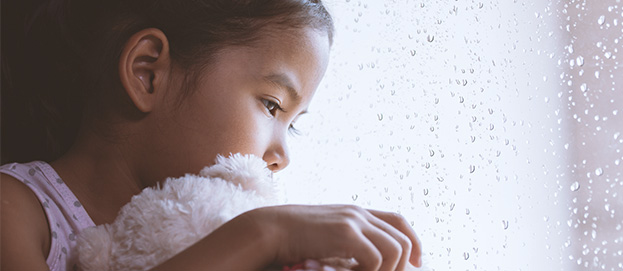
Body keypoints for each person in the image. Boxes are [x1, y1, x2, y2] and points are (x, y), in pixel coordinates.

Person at [0, 0, 423, 270]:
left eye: (292, 124)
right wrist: (265, 233)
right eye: (272, 105)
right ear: (149, 73)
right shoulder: (16, 207)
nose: (282, 156)